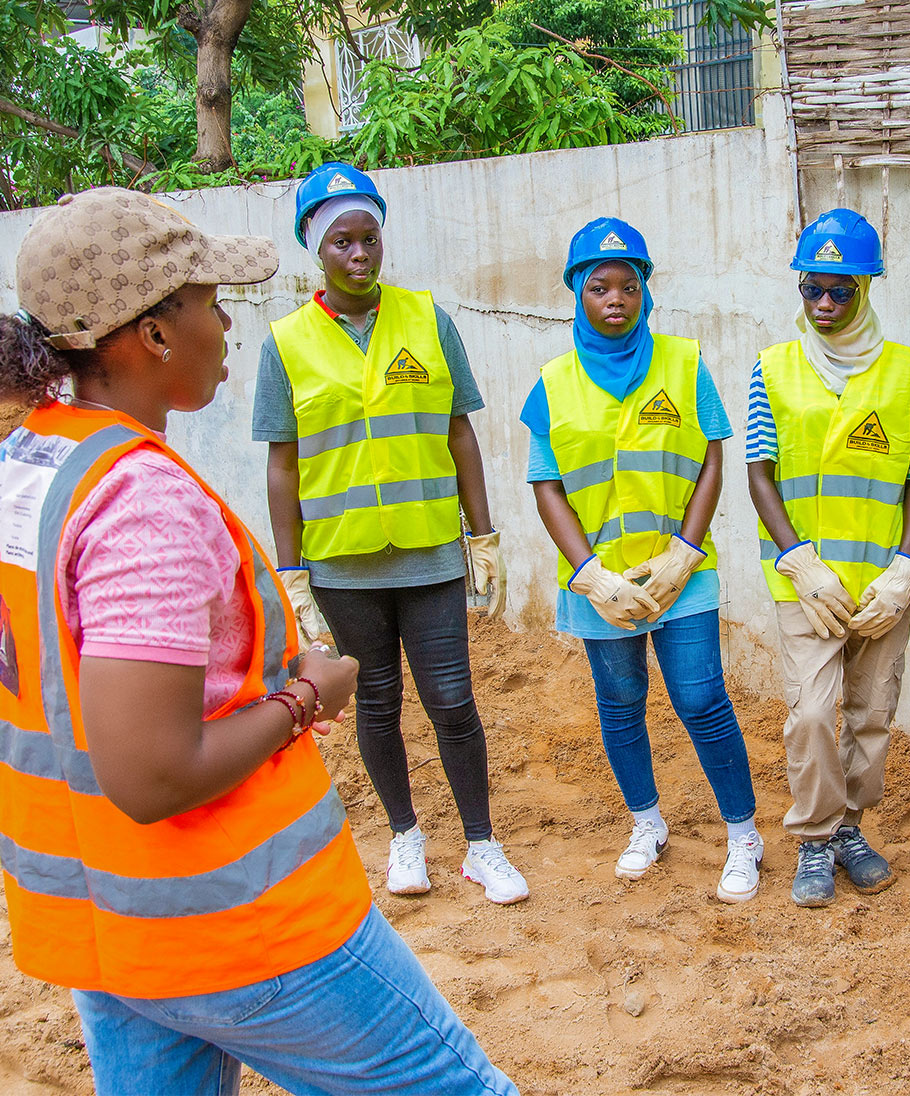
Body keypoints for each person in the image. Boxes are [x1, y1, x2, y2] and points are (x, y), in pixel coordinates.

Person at [0, 188, 519, 1096]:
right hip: (232, 920)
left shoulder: (31, 464)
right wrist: (305, 696)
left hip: (106, 930)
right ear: (152, 335)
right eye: (206, 301)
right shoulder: (139, 502)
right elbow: (152, 772)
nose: (226, 321)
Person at [252, 162, 528, 904]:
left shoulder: (427, 319)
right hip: (342, 566)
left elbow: (459, 434)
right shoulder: (286, 342)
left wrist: (483, 536)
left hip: (431, 554)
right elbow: (284, 467)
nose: (359, 254)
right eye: (342, 241)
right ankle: (405, 839)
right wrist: (291, 572)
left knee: (451, 701)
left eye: (369, 237)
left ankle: (481, 844)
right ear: (318, 245)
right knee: (375, 704)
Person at [521, 217, 761, 902]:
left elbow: (714, 455)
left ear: (646, 293)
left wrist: (686, 551)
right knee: (621, 704)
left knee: (701, 698)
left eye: (629, 285)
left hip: (680, 572)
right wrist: (588, 573)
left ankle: (743, 834)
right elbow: (547, 486)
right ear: (578, 293)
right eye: (599, 286)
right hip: (600, 583)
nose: (615, 298)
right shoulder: (553, 383)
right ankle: (646, 824)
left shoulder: (683, 363)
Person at [746, 209, 910, 907]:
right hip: (808, 586)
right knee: (809, 712)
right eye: (811, 290)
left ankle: (849, 830)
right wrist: (797, 560)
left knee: (868, 715)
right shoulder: (772, 368)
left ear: (865, 289)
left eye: (840, 292)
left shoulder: (904, 371)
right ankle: (812, 836)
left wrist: (906, 568)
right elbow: (760, 473)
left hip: (879, 585)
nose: (824, 306)